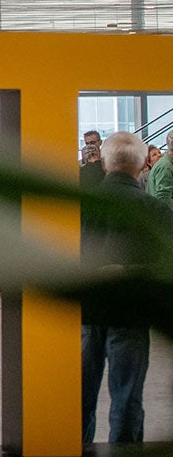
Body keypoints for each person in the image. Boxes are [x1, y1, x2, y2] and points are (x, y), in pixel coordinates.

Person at [81, 131, 169, 446]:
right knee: (127, 397)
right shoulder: (156, 211)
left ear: (104, 162)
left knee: (81, 395)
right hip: (131, 314)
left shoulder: (78, 207)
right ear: (143, 164)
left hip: (88, 311)